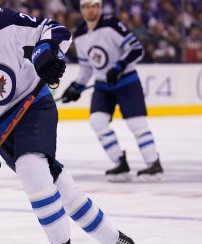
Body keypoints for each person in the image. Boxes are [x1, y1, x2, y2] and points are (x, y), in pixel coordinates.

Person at [0, 1, 151, 244]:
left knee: (30, 166)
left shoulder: (2, 21)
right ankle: (118, 240)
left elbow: (55, 31)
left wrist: (44, 53)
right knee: (60, 187)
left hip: (32, 103)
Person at [61, 0, 163, 183]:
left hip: (126, 81)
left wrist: (119, 67)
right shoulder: (80, 34)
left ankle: (154, 163)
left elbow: (136, 49)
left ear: (99, 8)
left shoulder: (111, 24)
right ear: (82, 10)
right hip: (103, 85)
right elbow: (87, 68)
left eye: (94, 6)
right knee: (97, 122)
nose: (90, 9)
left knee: (136, 124)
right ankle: (120, 162)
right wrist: (77, 86)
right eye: (86, 6)